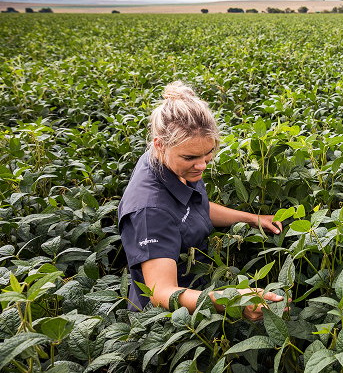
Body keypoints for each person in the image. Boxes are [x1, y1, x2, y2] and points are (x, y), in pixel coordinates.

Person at [117, 81, 283, 320]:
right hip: (172, 319)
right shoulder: (149, 211)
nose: (202, 165)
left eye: (208, 153)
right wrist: (233, 302)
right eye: (191, 157)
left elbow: (194, 207)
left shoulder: (174, 162)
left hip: (201, 286)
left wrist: (253, 219)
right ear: (159, 145)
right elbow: (162, 293)